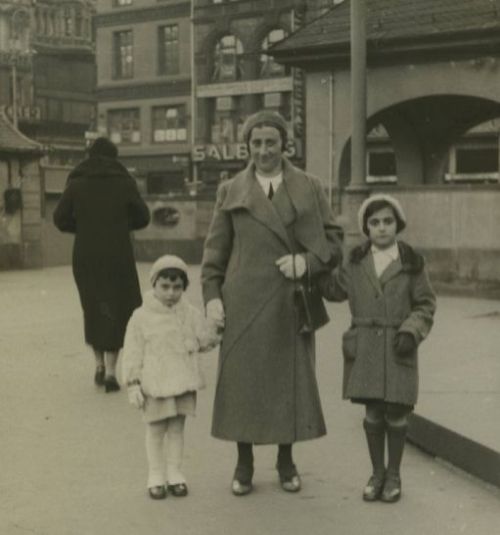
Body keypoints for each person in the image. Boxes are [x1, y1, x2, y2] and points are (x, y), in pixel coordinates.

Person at [201, 110, 343, 496]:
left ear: (285, 145)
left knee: (289, 383)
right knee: (243, 383)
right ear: (247, 146)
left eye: (271, 143)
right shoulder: (230, 191)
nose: (264, 151)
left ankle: (286, 461)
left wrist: (307, 263)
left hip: (289, 301)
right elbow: (215, 252)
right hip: (243, 302)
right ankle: (244, 464)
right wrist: (212, 297)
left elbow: (334, 242)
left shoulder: (310, 187)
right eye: (256, 143)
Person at [319, 193, 436, 503]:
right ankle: (376, 473)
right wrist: (317, 266)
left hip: (400, 345)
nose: (382, 228)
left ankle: (394, 474)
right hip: (366, 346)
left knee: (397, 413)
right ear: (365, 228)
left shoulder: (411, 262)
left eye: (388, 221)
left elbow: (425, 304)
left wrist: (412, 330)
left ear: (398, 225)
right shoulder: (356, 261)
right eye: (374, 222)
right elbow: (334, 290)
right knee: (372, 413)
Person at [53, 137, 150, 392]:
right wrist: (121, 225)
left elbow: (60, 219)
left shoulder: (76, 182)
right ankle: (110, 371)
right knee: (117, 307)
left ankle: (97, 363)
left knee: (94, 306)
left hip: (86, 254)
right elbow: (144, 217)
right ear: (114, 156)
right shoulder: (125, 182)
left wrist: (83, 228)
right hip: (117, 253)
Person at [122, 255, 220, 500]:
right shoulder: (141, 316)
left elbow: (204, 340)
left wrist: (215, 326)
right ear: (154, 284)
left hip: (182, 383)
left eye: (177, 287)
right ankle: (155, 475)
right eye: (164, 286)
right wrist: (133, 383)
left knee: (177, 429)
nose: (170, 293)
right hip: (154, 385)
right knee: (155, 431)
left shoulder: (189, 313)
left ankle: (175, 473)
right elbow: (133, 352)